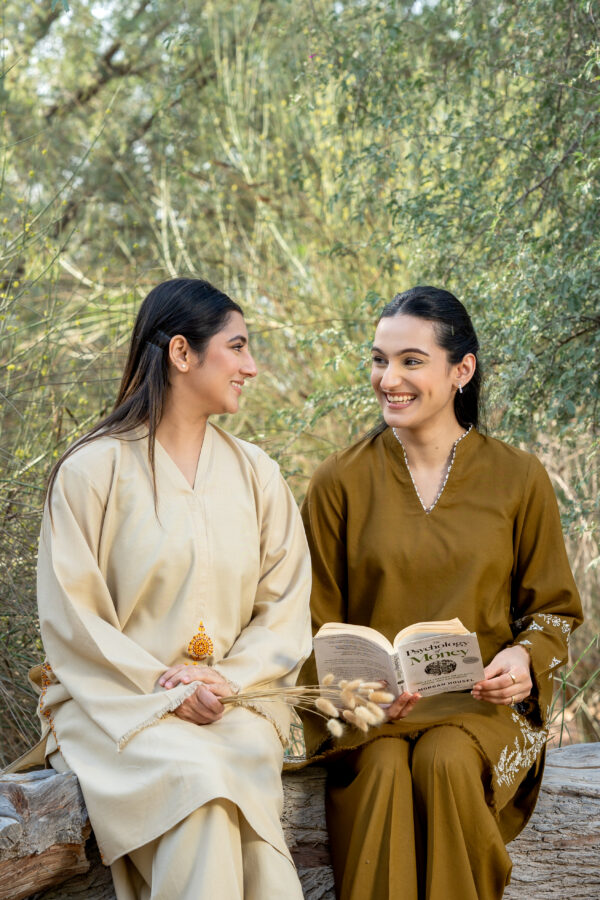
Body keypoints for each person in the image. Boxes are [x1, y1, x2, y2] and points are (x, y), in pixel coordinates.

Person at [24, 278, 312, 899]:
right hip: (117, 706)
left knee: (245, 826)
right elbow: (75, 622)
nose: (251, 367)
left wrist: (225, 681)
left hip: (233, 707)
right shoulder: (89, 470)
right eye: (236, 347)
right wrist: (164, 691)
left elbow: (286, 606)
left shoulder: (258, 475)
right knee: (197, 784)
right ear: (182, 353)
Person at [299, 286, 583, 900]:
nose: (388, 379)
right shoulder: (338, 482)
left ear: (462, 370)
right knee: (379, 770)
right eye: (379, 360)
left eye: (410, 361)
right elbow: (310, 625)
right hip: (371, 716)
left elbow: (553, 611)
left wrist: (524, 659)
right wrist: (352, 696)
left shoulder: (519, 478)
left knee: (445, 761)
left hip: (483, 711)